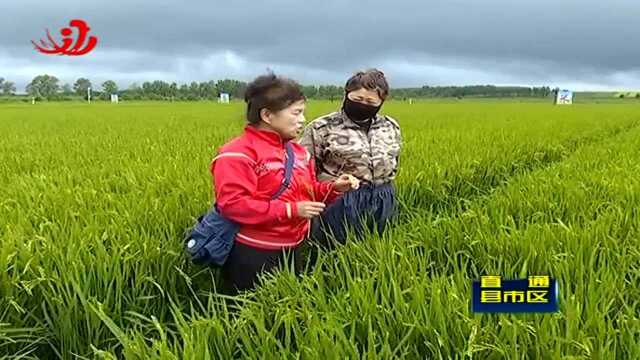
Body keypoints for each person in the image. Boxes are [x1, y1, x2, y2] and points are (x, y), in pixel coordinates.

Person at [210, 73, 359, 294]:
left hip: (293, 247)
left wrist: (333, 188)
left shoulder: (298, 153)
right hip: (253, 252)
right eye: (296, 113)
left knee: (287, 310)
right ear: (267, 115)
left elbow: (308, 194)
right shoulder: (237, 154)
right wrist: (291, 210)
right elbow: (233, 205)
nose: (302, 119)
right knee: (248, 316)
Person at [299, 68, 402, 252]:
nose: (363, 104)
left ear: (380, 102)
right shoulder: (322, 127)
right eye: (357, 99)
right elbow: (303, 171)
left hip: (383, 196)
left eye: (370, 101)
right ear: (346, 95)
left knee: (379, 249)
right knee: (336, 251)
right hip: (340, 200)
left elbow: (395, 161)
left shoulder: (389, 126)